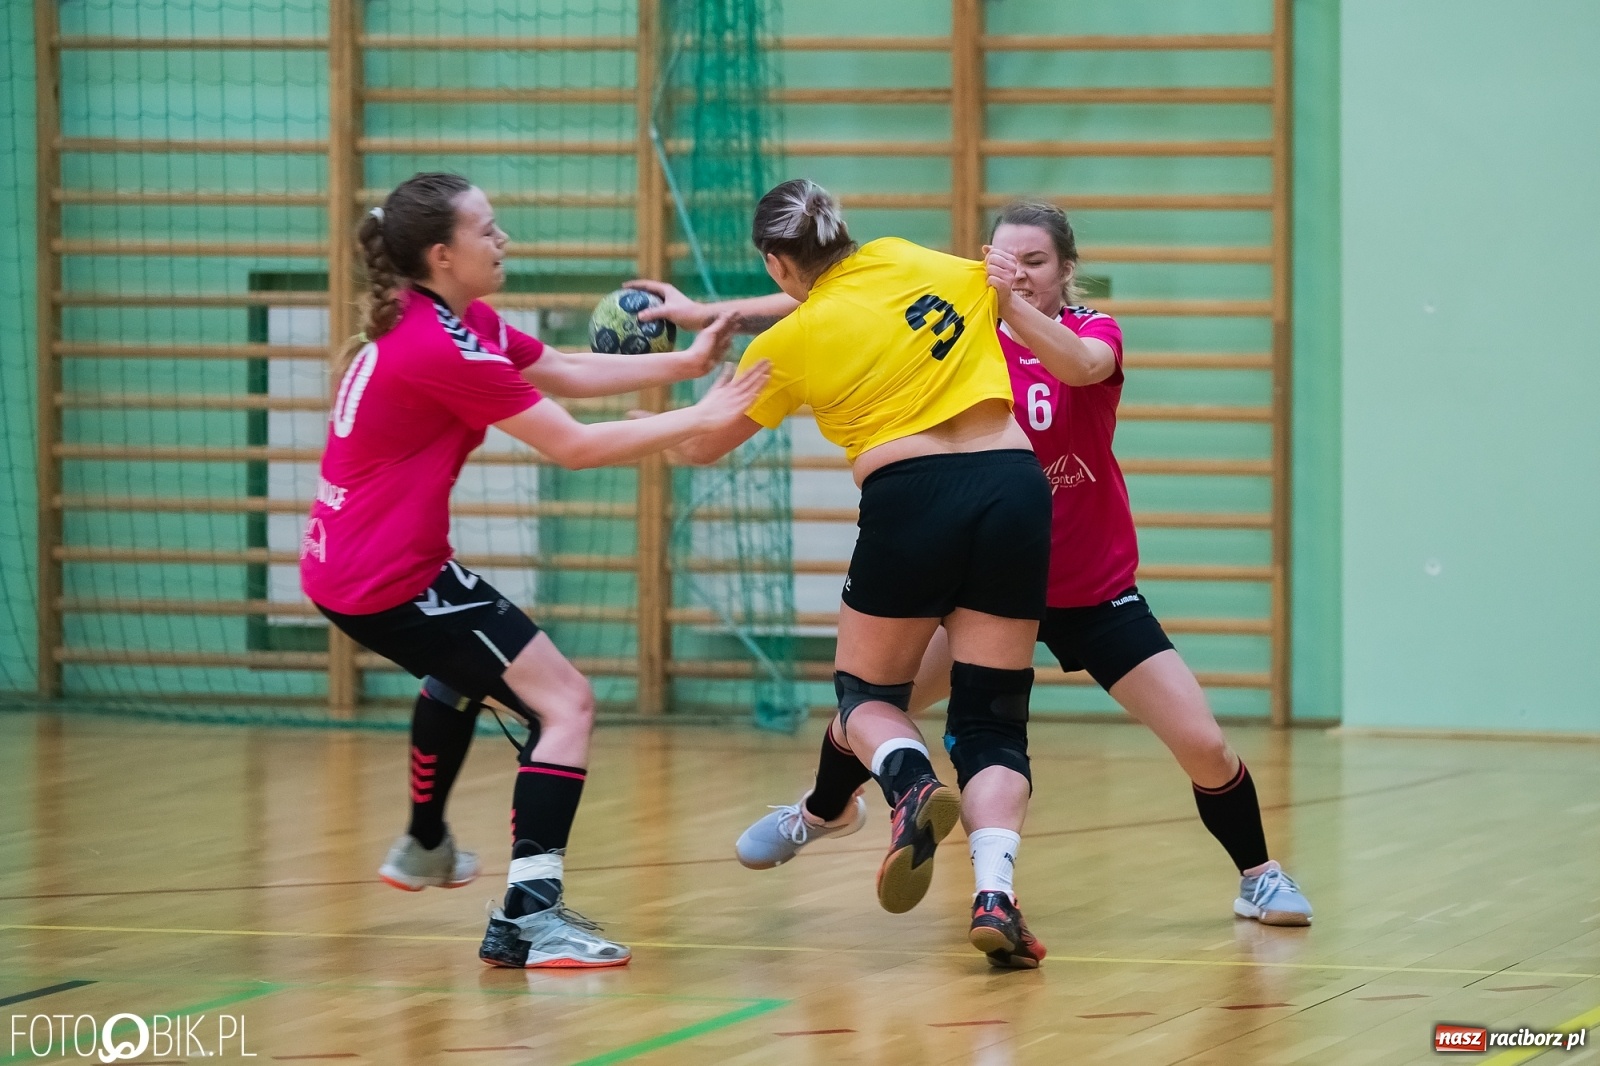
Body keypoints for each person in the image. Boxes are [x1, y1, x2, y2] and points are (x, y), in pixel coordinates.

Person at [636, 200, 1314, 929]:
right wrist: (716, 313)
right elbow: (835, 291)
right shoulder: (956, 319)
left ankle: (1261, 876)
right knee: (876, 701)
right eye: (1006, 258)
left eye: (1036, 262)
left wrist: (1006, 300)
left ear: (1067, 271)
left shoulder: (1086, 331)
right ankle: (824, 810)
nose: (1018, 272)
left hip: (1088, 589)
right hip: (983, 586)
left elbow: (1083, 367)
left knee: (1202, 741)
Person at [300, 172, 770, 969]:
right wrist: (706, 417)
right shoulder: (434, 346)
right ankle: (529, 916)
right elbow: (574, 445)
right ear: (443, 254)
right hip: (390, 580)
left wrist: (687, 369)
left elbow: (558, 366)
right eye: (487, 230)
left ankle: (424, 845)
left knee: (463, 673)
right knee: (567, 703)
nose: (503, 238)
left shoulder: (448, 318)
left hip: (363, 566)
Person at [649, 178, 1055, 968]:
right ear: (842, 230)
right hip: (1014, 489)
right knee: (992, 721)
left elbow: (698, 444)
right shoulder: (916, 261)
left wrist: (654, 407)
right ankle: (994, 894)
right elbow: (972, 285)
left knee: (866, 697)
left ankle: (906, 786)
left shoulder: (789, 346)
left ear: (777, 263)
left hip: (911, 500)